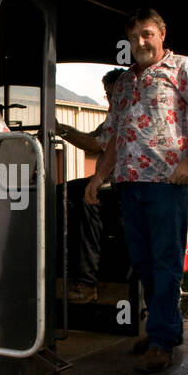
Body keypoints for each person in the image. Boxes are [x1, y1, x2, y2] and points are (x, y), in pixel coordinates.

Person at [85, 8, 188, 372]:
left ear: (161, 34)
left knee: (165, 261)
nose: (140, 42)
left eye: (147, 34)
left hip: (166, 181)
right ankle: (165, 330)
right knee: (142, 262)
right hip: (128, 182)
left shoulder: (182, 69)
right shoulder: (124, 83)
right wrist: (98, 178)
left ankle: (161, 339)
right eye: (134, 37)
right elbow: (112, 137)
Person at [57, 68, 123, 303]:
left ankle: (86, 282)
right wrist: (63, 129)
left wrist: (61, 130)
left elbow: (95, 145)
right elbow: (91, 140)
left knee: (88, 201)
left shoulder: (126, 115)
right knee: (60, 193)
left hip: (122, 186)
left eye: (113, 93)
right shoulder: (112, 119)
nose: (109, 100)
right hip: (110, 181)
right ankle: (63, 267)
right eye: (107, 94)